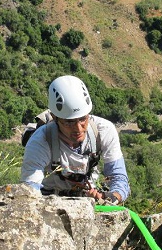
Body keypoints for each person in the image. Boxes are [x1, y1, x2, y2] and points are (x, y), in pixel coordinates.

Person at [20, 75, 130, 204]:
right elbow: (30, 190)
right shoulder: (40, 141)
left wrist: (110, 197)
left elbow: (119, 177)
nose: (78, 129)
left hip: (88, 196)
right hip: (49, 199)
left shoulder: (103, 130)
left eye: (83, 119)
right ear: (55, 118)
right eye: (69, 122)